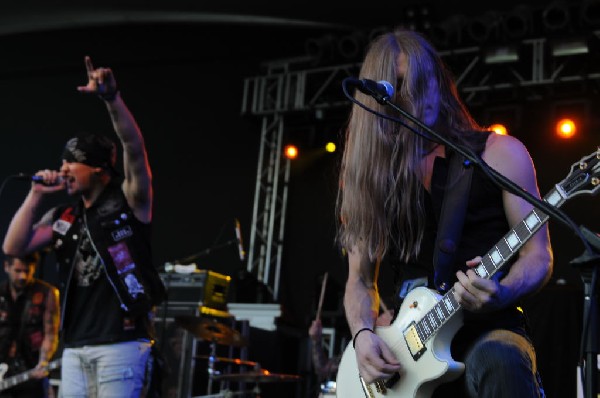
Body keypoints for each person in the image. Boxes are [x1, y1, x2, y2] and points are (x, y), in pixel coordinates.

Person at [336, 28, 553, 397]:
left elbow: (539, 255)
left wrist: (503, 291)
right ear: (378, 97)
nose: (422, 95)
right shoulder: (370, 177)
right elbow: (360, 282)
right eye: (404, 85)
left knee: (500, 358)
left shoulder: (499, 154)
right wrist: (363, 334)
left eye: (427, 80)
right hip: (410, 350)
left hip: (490, 328)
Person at [2, 56, 166, 397]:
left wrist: (111, 99)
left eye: (71, 162)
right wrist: (35, 196)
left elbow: (134, 148)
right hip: (75, 346)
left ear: (97, 169)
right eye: (61, 161)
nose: (62, 169)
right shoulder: (65, 217)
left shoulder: (129, 202)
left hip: (120, 344)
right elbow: (14, 248)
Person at [0, 252, 59, 398]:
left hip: (31, 372)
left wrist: (43, 362)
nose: (23, 276)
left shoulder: (46, 293)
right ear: (6, 267)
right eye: (18, 271)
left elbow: (51, 333)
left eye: (27, 271)